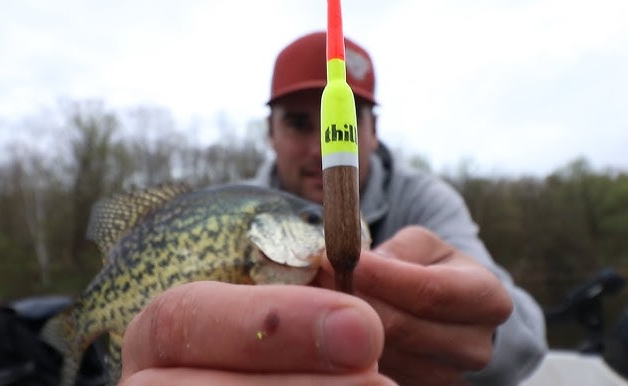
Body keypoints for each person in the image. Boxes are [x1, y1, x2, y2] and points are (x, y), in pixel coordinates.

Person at [117, 32, 548, 386]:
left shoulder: (424, 200)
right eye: (298, 124)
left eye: (338, 123)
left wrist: (476, 329)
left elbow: (526, 335)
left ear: (373, 131)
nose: (319, 148)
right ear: (270, 133)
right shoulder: (232, 208)